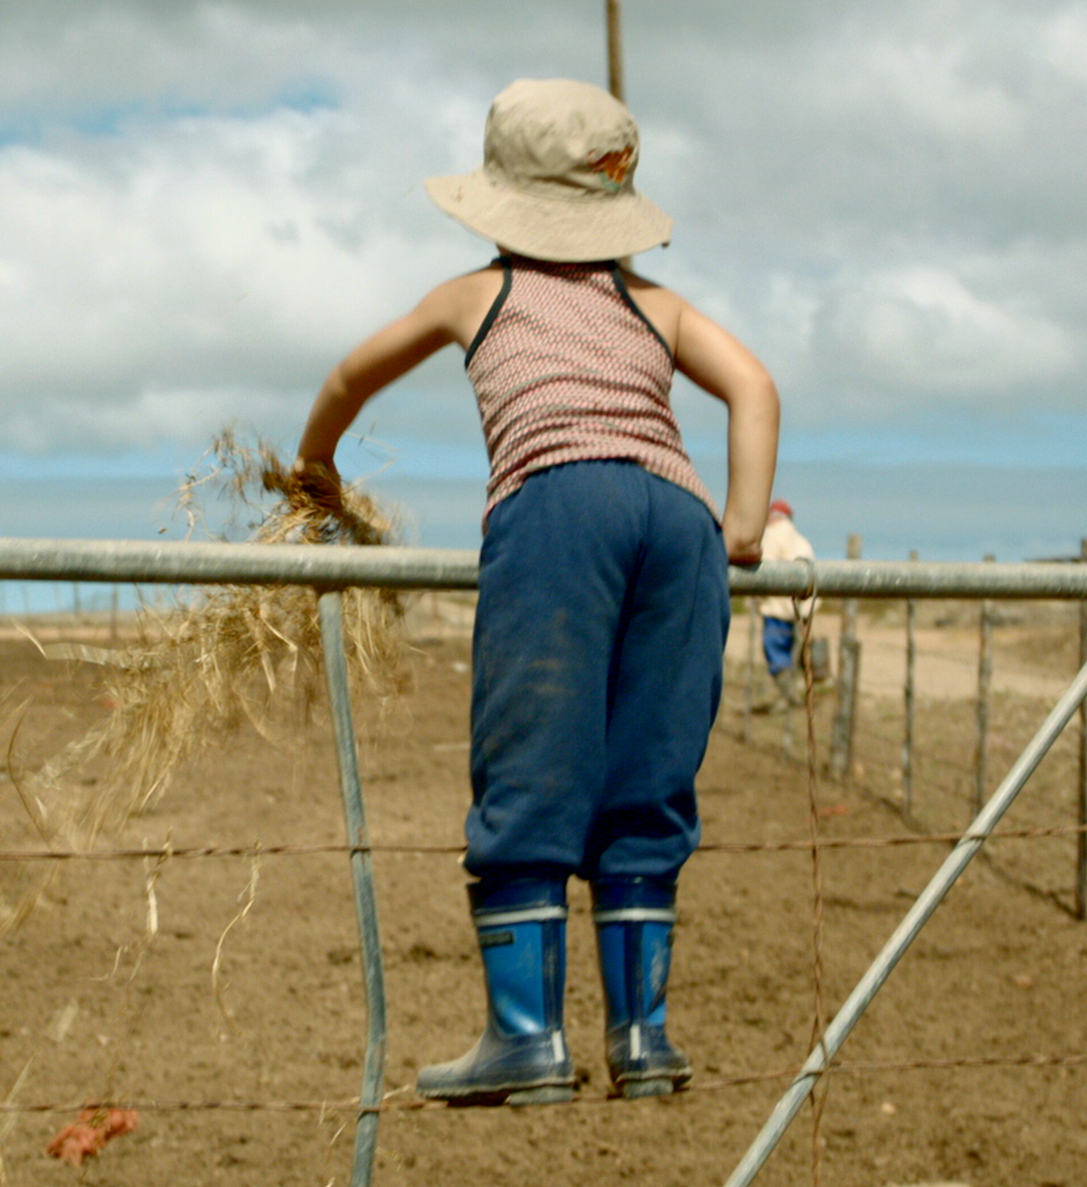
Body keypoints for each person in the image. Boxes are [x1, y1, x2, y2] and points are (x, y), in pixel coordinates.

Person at [293, 78, 779, 1106]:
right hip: (678, 520)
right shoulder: (653, 304)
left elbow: (349, 372)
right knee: (646, 777)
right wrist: (737, 524)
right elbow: (753, 386)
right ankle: (640, 1039)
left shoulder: (478, 292)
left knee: (531, 759)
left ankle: (524, 1038)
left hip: (559, 504)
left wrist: (315, 470)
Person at [755, 500, 818, 706]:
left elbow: (764, 572)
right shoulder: (802, 541)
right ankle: (800, 695)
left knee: (777, 651)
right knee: (799, 650)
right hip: (804, 609)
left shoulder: (771, 536)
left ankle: (790, 698)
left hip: (777, 609)